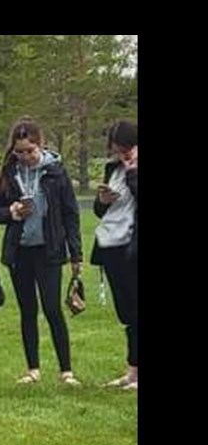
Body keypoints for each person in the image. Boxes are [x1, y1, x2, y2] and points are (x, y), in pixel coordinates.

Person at [0, 117, 83, 386]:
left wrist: (76, 255)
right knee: (27, 310)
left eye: (30, 151)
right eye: (20, 152)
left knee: (52, 308)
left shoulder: (56, 172)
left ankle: (66, 371)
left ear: (40, 146)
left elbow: (70, 214)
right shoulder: (9, 173)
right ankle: (33, 369)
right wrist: (12, 212)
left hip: (49, 250)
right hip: (20, 251)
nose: (26, 156)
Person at [90, 120, 137, 390]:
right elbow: (100, 210)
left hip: (132, 244)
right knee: (127, 312)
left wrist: (133, 174)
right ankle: (132, 370)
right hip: (111, 245)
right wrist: (102, 201)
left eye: (126, 150)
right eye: (117, 151)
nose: (121, 156)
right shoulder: (113, 169)